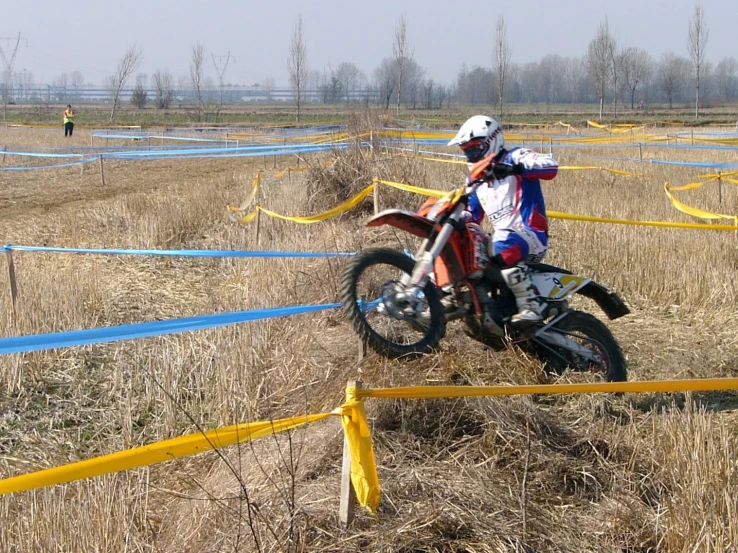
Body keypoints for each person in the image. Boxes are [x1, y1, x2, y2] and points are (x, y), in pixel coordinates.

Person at [448, 115, 559, 326]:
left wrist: (516, 169)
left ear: (493, 140)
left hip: (531, 234)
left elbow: (551, 167)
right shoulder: (476, 178)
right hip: (503, 242)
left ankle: (531, 306)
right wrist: (456, 219)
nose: (472, 154)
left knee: (501, 239)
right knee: (466, 242)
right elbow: (473, 214)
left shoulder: (516, 156)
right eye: (467, 151)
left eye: (475, 148)